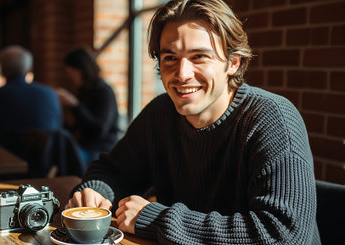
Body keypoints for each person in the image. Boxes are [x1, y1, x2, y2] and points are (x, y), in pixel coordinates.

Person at [65, 0, 320, 244]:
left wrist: (156, 219)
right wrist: (96, 193)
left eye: (199, 57)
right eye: (170, 58)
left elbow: (283, 234)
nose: (182, 74)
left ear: (233, 63)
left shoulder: (272, 118)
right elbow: (114, 170)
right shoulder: (160, 113)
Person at [0, 45, 62, 140]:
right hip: (43, 154)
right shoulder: (50, 94)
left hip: (2, 154)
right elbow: (57, 133)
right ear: (30, 69)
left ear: (2, 70)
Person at [56, 47, 119, 169]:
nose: (70, 78)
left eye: (71, 73)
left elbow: (99, 129)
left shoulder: (104, 91)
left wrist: (75, 105)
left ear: (82, 70)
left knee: (63, 157)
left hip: (101, 149)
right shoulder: (84, 91)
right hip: (85, 145)